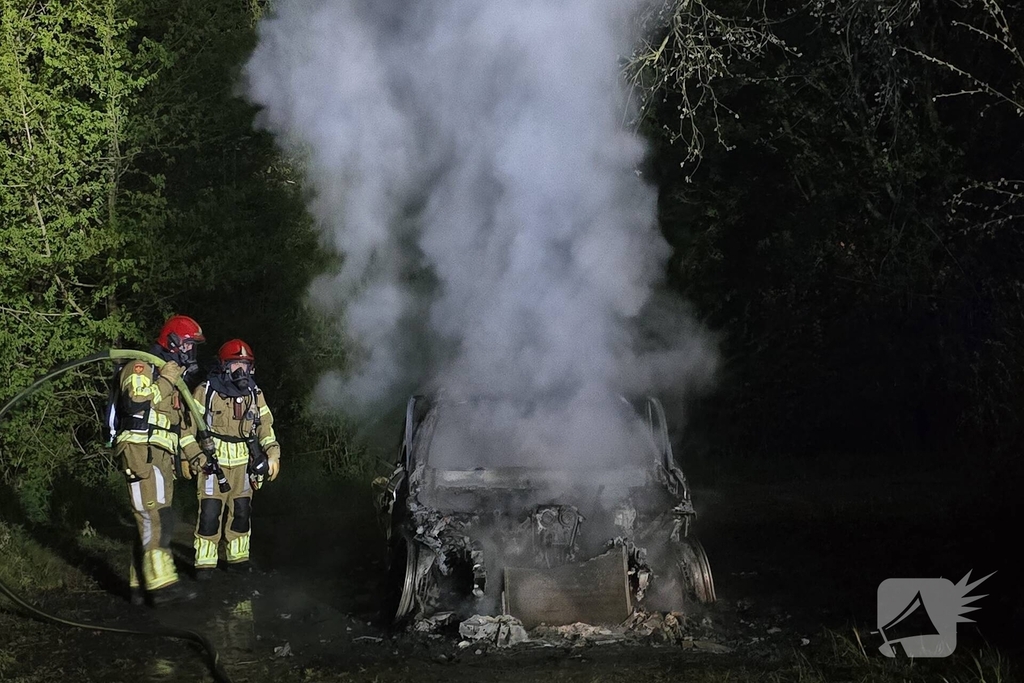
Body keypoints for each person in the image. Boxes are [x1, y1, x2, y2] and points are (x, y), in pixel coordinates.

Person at [115, 314, 205, 606]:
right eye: (189, 347)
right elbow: (136, 401)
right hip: (140, 453)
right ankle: (162, 586)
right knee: (155, 519)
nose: (192, 354)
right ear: (174, 343)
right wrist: (166, 379)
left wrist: (196, 457)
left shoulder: (173, 382)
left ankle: (139, 587)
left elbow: (178, 429)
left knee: (152, 521)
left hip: (161, 458)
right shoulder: (141, 367)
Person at [190, 338, 281, 577]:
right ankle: (205, 563)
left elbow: (266, 426)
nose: (241, 371)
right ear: (223, 366)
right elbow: (188, 428)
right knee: (210, 512)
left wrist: (273, 454)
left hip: (243, 462)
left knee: (241, 511)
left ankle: (238, 559)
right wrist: (190, 457)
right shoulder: (206, 391)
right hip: (213, 462)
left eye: (245, 364)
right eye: (234, 365)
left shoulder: (254, 393)